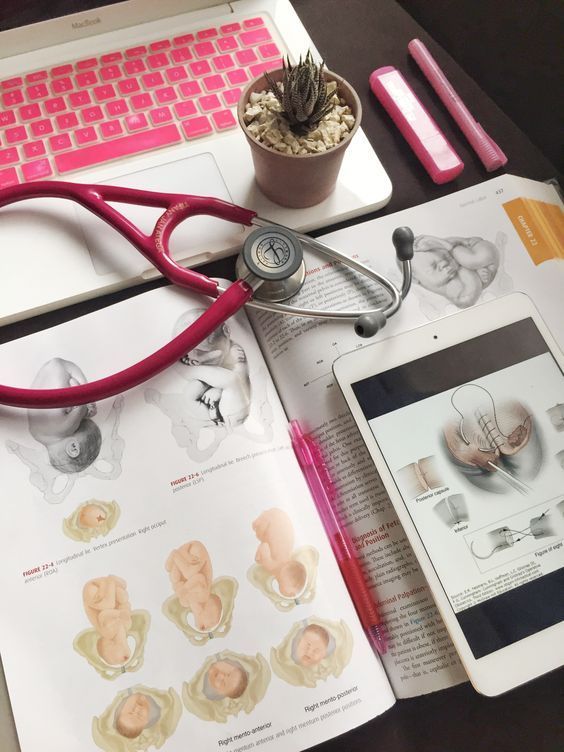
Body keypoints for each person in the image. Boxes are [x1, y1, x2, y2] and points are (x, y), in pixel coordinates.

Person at [27, 358, 101, 473]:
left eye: (79, 424)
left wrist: (88, 410)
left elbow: (81, 407)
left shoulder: (64, 430)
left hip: (64, 369)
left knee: (84, 394)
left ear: (73, 447)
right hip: (48, 370)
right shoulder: (35, 434)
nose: (77, 424)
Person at [411, 235, 500, 308]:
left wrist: (442, 244)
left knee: (470, 260)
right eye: (434, 267)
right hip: (487, 263)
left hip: (476, 248)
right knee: (468, 261)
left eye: (446, 258)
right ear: (414, 278)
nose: (445, 263)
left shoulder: (450, 262)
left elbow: (457, 246)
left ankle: (443, 244)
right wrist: (475, 271)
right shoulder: (458, 295)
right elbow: (470, 295)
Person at [165, 541, 222, 632]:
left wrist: (181, 588)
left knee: (173, 576)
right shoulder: (203, 596)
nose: (207, 628)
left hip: (187, 556)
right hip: (196, 551)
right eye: (211, 623)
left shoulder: (187, 602)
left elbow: (181, 589)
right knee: (189, 573)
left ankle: (178, 555)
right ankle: (176, 554)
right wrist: (184, 589)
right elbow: (199, 578)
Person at [252, 508, 307, 598]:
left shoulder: (287, 555)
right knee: (260, 534)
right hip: (268, 521)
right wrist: (259, 558)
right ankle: (259, 522)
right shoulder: (272, 565)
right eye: (279, 583)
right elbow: (264, 546)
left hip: (278, 516)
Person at [83, 575, 132, 666]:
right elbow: (124, 606)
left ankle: (110, 581)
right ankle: (110, 582)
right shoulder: (126, 626)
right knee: (122, 596)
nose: (123, 661)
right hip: (103, 589)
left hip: (92, 591)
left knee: (108, 605)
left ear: (109, 644)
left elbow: (102, 615)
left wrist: (118, 614)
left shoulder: (108, 633)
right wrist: (123, 607)